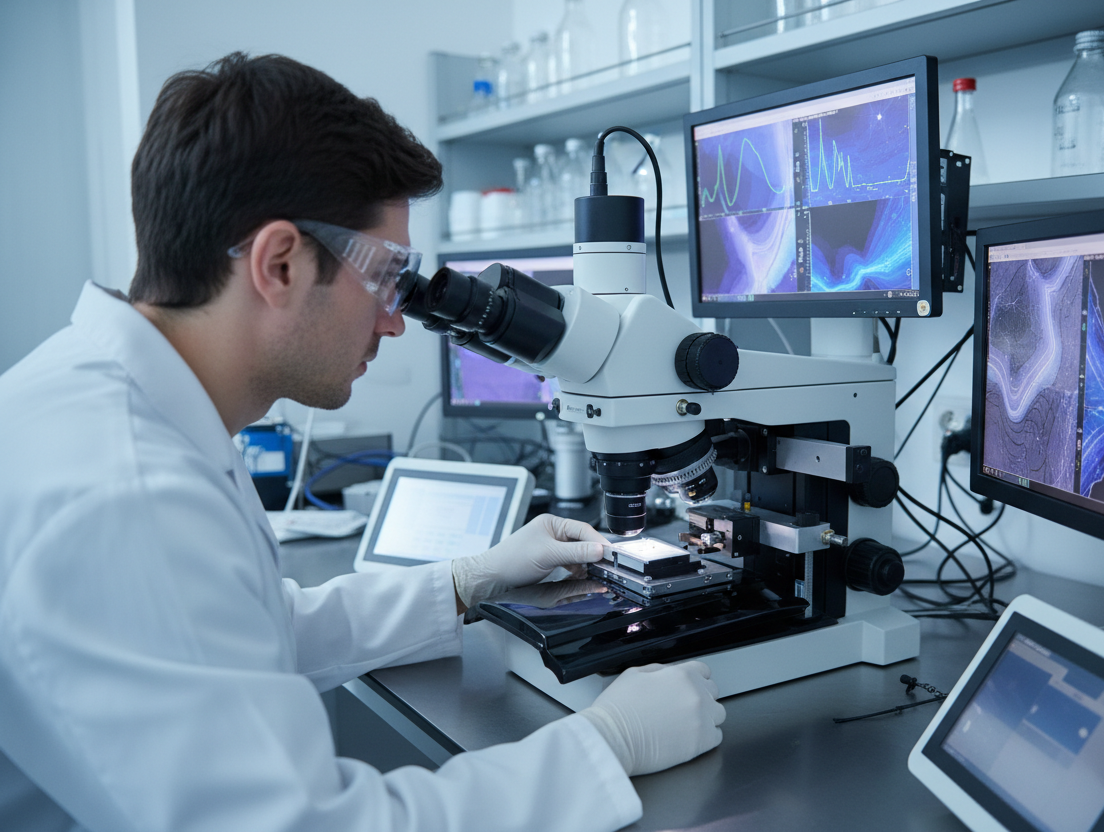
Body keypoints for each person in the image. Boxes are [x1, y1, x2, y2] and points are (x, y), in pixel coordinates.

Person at [0, 53, 724, 832]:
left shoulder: (111, 405)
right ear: (279, 263)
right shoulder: (131, 491)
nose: (393, 319)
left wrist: (466, 580)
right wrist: (600, 744)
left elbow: (261, 632)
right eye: (386, 276)